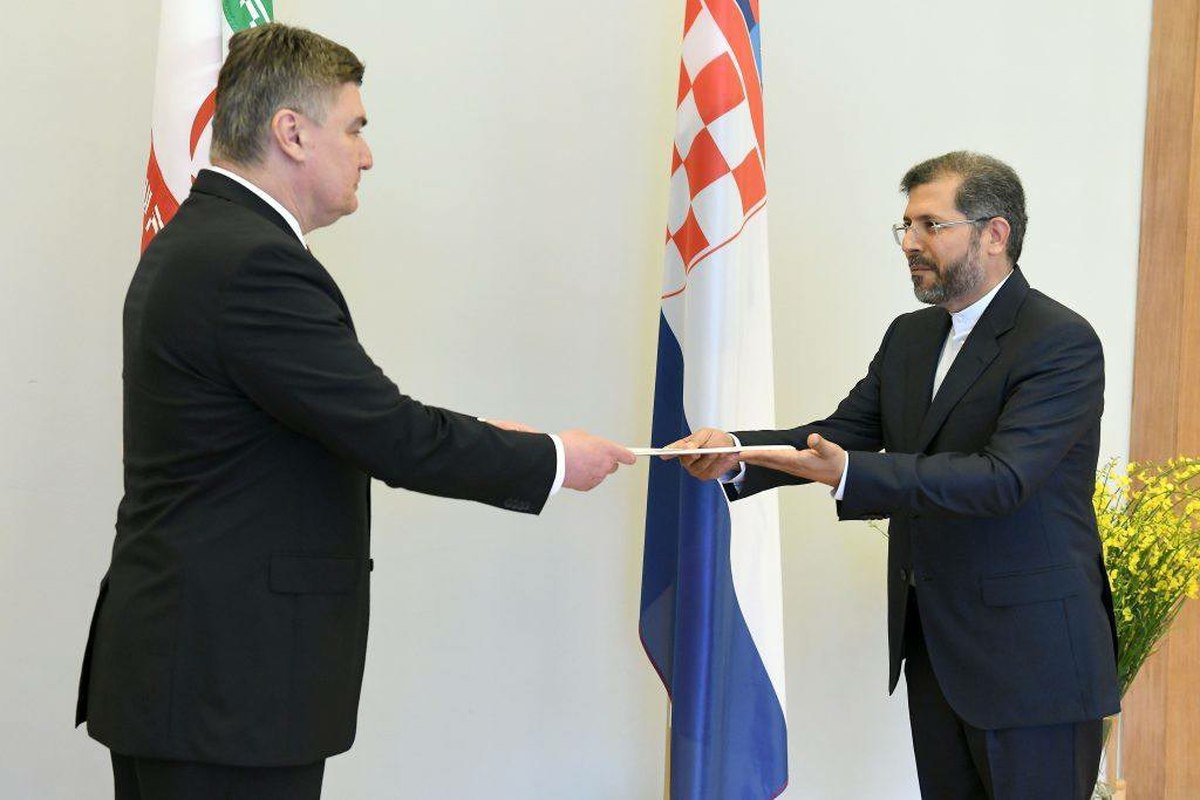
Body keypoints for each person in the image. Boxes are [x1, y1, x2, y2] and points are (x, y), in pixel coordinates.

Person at [75, 23, 634, 800]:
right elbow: (391, 435)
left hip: (187, 679)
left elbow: (337, 416)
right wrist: (555, 459)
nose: (366, 154)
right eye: (355, 127)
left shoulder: (199, 241)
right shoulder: (253, 263)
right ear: (292, 133)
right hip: (225, 693)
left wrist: (493, 438)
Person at [669, 151, 1119, 799]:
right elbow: (839, 435)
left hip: (1035, 666)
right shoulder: (910, 337)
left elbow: (1003, 479)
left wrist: (851, 473)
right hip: (935, 654)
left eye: (931, 225)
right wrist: (738, 451)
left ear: (995, 234)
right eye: (905, 226)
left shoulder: (1058, 340)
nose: (909, 243)